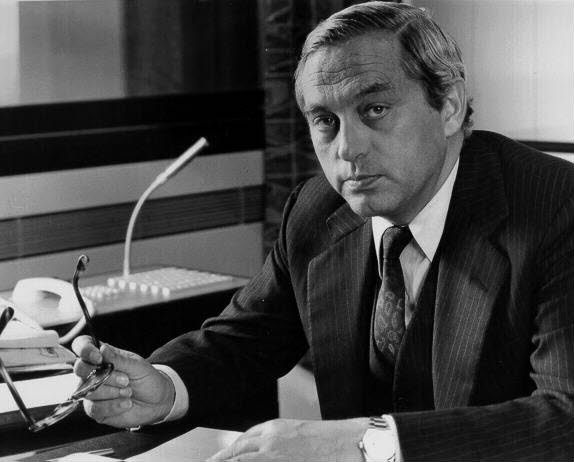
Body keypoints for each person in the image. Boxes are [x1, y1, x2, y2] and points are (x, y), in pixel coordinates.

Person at [72, 2, 574, 461]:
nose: (347, 149)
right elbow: (247, 339)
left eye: (374, 109)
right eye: (325, 120)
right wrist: (164, 386)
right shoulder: (317, 209)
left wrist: (366, 444)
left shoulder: (557, 209)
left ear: (449, 106)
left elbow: (565, 417)